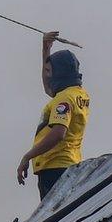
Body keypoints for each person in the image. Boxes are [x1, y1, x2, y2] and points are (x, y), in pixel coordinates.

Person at [17, 32, 91, 198]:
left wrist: (27, 156)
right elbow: (48, 87)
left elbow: (58, 133)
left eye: (50, 70)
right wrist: (46, 50)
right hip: (67, 164)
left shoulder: (64, 99)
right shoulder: (77, 93)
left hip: (55, 167)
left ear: (59, 72)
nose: (48, 74)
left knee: (54, 216)